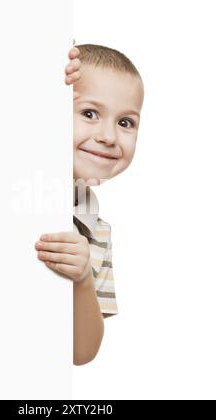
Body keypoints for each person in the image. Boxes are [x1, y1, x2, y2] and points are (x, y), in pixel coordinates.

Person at [35, 40, 145, 365]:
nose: (109, 136)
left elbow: (81, 353)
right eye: (89, 113)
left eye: (125, 122)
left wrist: (82, 278)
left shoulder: (97, 231)